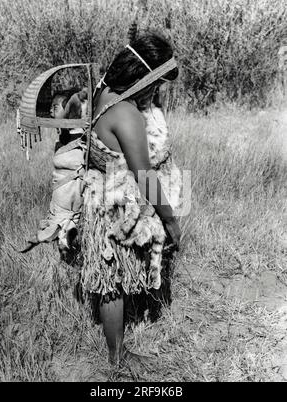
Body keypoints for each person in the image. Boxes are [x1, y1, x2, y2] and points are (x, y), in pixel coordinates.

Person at [77, 31, 182, 367]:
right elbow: (145, 177)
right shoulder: (126, 115)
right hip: (114, 207)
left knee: (113, 277)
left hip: (98, 193)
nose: (156, 93)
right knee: (111, 280)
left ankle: (117, 345)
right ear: (143, 77)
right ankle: (117, 356)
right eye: (157, 85)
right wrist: (170, 220)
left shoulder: (103, 89)